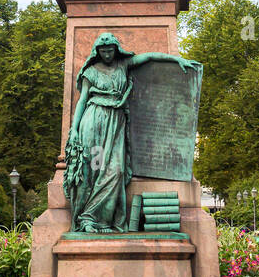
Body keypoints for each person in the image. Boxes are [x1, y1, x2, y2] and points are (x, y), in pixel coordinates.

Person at [63, 31, 200, 233]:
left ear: (116, 50)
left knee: (116, 171)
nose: (107, 55)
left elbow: (150, 57)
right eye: (103, 51)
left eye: (110, 50)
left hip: (116, 123)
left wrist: (177, 60)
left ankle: (96, 217)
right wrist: (74, 130)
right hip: (94, 123)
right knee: (95, 168)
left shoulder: (123, 65)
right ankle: (88, 220)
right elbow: (82, 100)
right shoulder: (90, 72)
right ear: (97, 51)